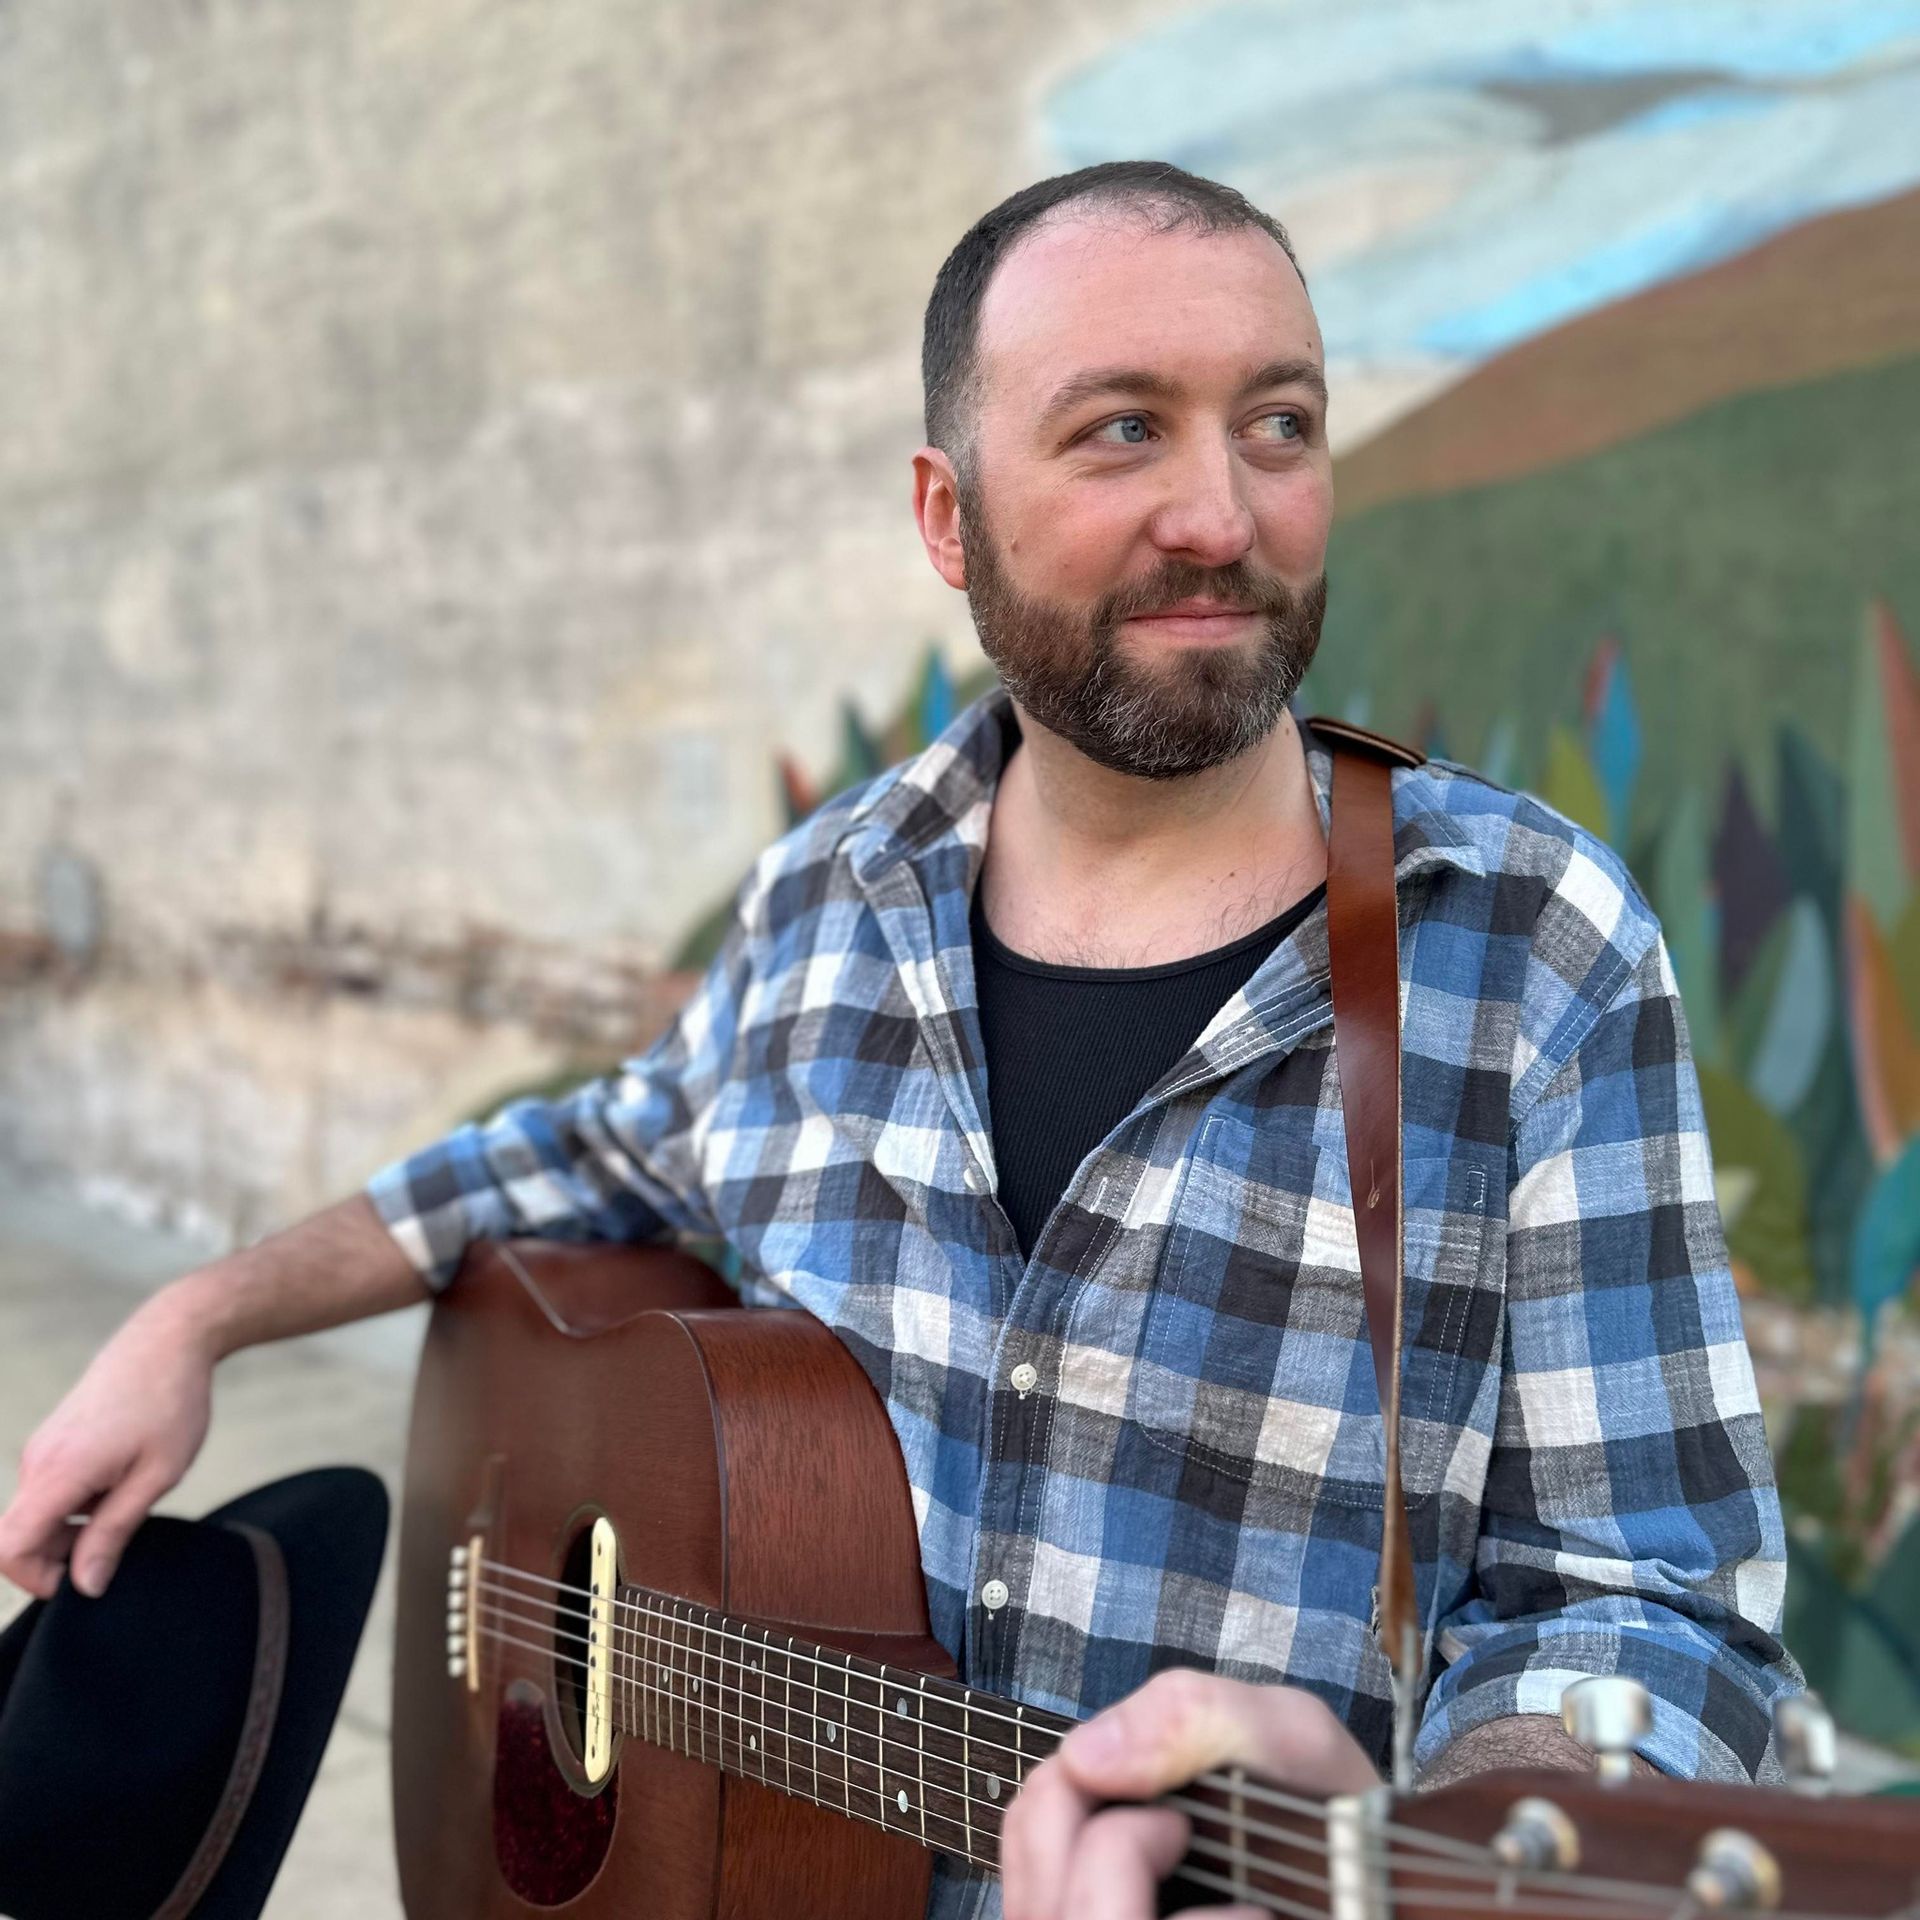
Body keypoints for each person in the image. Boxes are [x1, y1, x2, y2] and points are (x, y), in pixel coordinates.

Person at [0, 162, 1796, 1920]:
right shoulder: (829, 903)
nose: (1221, 515)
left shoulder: (1520, 947)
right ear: (948, 517)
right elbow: (592, 1152)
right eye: (1121, 430)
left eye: (1278, 424)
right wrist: (200, 1315)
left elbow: (1650, 1602)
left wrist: (1432, 1872)